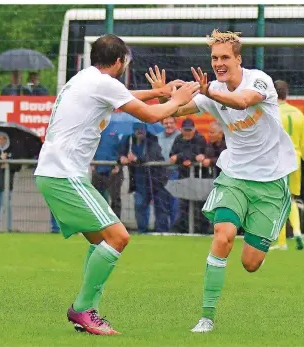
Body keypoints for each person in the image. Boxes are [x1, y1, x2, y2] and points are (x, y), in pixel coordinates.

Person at [34, 34, 199, 335]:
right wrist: (176, 99)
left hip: (54, 173)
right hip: (63, 175)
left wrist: (157, 91)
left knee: (102, 241)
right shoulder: (104, 84)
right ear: (120, 61)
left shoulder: (86, 78)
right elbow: (150, 117)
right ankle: (82, 309)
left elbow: (123, 96)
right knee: (119, 238)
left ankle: (87, 311)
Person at [146, 29, 297, 333]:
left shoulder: (258, 80)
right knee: (222, 236)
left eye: (225, 57)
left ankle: (261, 243)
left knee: (250, 263)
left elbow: (242, 102)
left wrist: (207, 92)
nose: (219, 62)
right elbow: (177, 108)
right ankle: (207, 317)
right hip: (234, 177)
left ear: (238, 58)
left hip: (270, 181)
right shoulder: (210, 89)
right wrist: (163, 94)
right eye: (214, 57)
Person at [269, 80, 304, 251]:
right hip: (295, 159)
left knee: (278, 199)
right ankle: (297, 232)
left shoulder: (271, 112)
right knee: (290, 197)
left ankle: (282, 242)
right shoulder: (298, 113)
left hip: (277, 159)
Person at [119, 123, 169, 233]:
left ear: (146, 129)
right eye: (137, 130)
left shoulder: (153, 139)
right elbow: (120, 152)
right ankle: (142, 231)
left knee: (160, 206)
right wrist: (121, 158)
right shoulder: (128, 139)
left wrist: (137, 159)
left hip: (156, 178)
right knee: (139, 205)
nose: (139, 132)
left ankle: (161, 231)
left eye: (141, 129)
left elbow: (153, 156)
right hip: (139, 179)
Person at [169, 118, 209, 234]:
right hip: (183, 177)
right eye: (185, 130)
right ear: (181, 130)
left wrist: (181, 157)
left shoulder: (200, 138)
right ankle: (185, 230)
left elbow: (198, 152)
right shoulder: (178, 139)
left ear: (194, 129)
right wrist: (187, 158)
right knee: (184, 205)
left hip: (199, 177)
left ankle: (203, 231)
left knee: (200, 205)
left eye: (189, 130)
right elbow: (172, 155)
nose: (187, 132)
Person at [0, 132, 22, 232]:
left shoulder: (11, 152)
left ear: (6, 140)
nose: (1, 140)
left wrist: (7, 163)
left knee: (7, 208)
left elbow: (18, 167)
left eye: (4, 138)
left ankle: (8, 229)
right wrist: (0, 160)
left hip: (7, 185)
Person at [92, 128, 123, 219]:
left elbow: (123, 149)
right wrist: (92, 161)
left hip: (114, 170)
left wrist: (118, 165)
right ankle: (98, 223)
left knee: (115, 199)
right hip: (98, 168)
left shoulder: (118, 129)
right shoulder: (96, 128)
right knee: (96, 199)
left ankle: (116, 224)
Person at [157, 117, 181, 228]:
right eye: (166, 123)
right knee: (161, 203)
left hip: (176, 173)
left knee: (174, 203)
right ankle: (162, 229)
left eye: (171, 122)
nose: (169, 125)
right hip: (160, 173)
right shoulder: (157, 137)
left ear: (175, 123)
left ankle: (174, 228)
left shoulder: (180, 136)